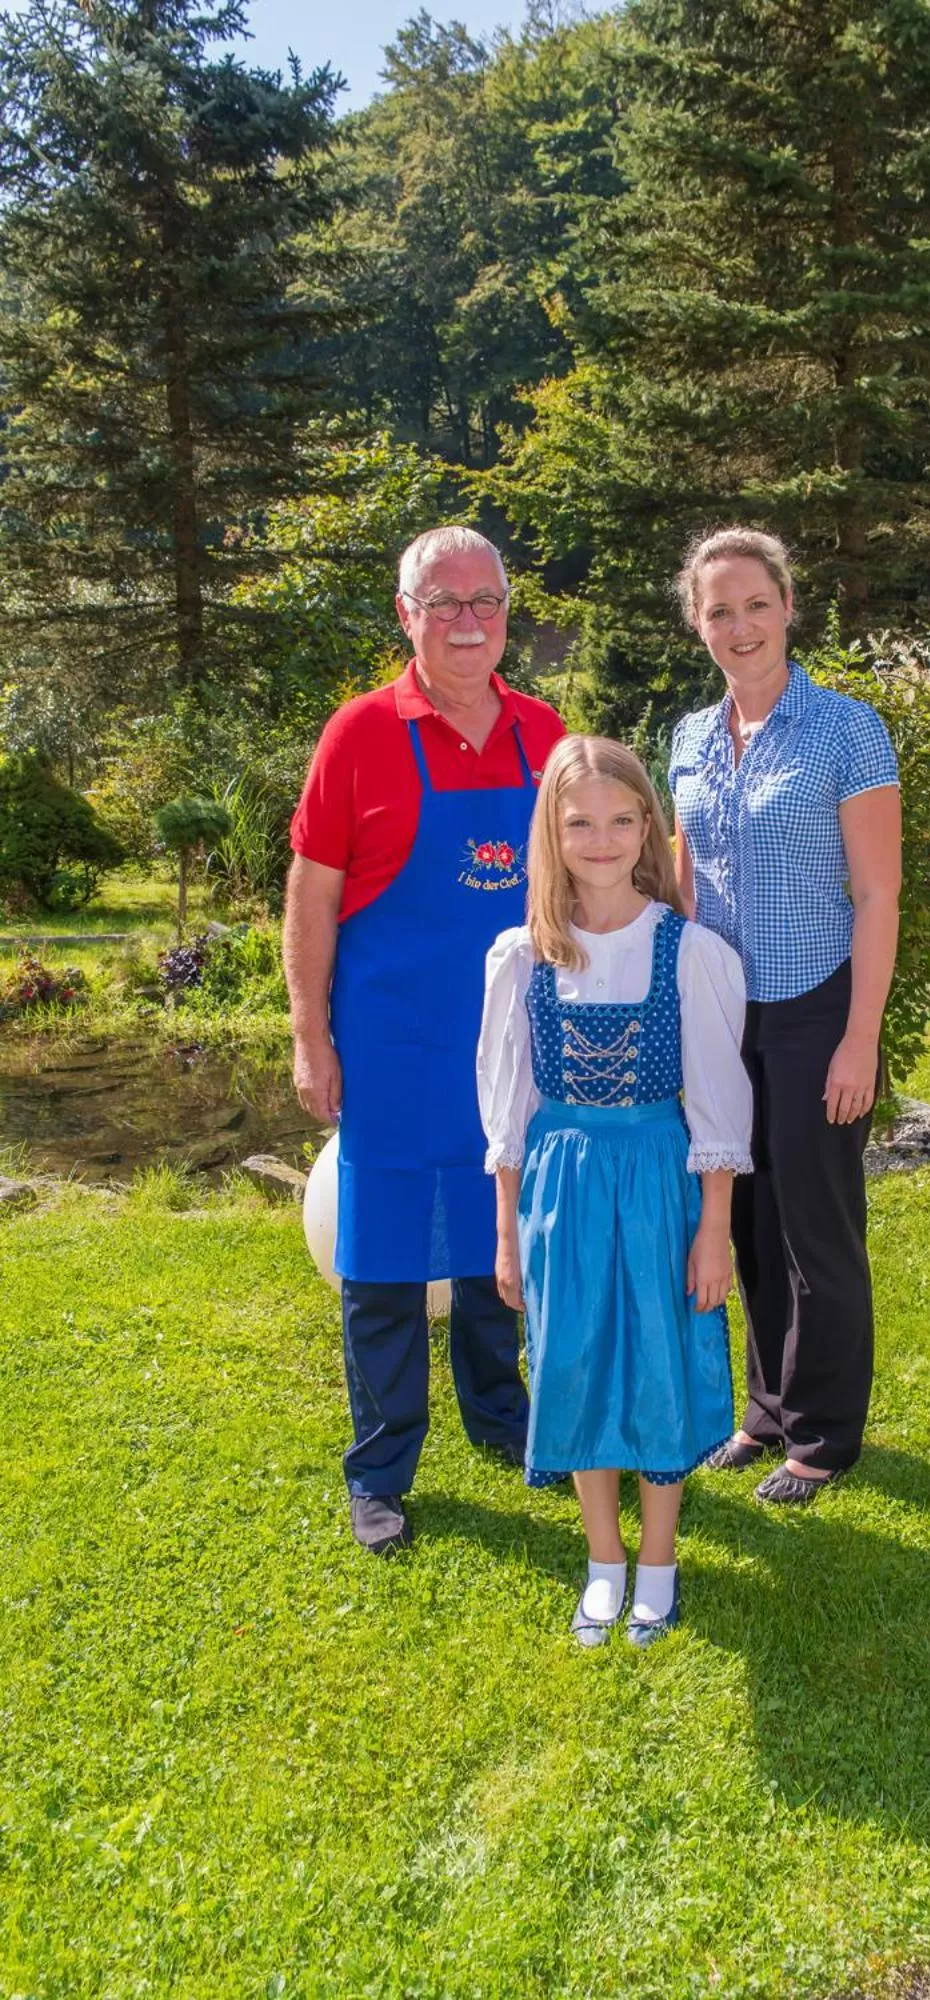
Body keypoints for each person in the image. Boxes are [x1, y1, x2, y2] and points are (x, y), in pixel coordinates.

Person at [284, 525, 565, 1555]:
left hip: (514, 1050)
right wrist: (310, 1034)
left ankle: (502, 1416)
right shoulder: (359, 733)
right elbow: (311, 896)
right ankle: (381, 1468)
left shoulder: (544, 733)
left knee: (504, 1244)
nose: (467, 621)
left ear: (507, 613)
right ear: (407, 614)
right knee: (384, 1266)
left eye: (485, 600)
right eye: (443, 602)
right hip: (394, 1048)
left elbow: (585, 876)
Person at [478, 736, 752, 1645]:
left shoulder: (688, 950)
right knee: (575, 1360)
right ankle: (603, 1561)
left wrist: (713, 1230)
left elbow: (716, 1103)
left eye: (620, 820)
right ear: (551, 836)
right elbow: (509, 1111)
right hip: (560, 1186)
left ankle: (658, 1563)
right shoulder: (522, 956)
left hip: (657, 1181)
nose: (601, 840)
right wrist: (507, 1233)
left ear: (648, 829)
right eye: (579, 823)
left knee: (658, 1359)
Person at [668, 526, 901, 1505]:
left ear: (788, 607)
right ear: (697, 623)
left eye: (756, 604)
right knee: (751, 1221)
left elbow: (878, 895)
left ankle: (825, 1433)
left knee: (816, 1227)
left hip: (815, 1007)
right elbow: (684, 885)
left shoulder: (847, 730)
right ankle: (766, 1411)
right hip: (724, 1016)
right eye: (719, 609)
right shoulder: (687, 738)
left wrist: (859, 1038)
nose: (741, 625)